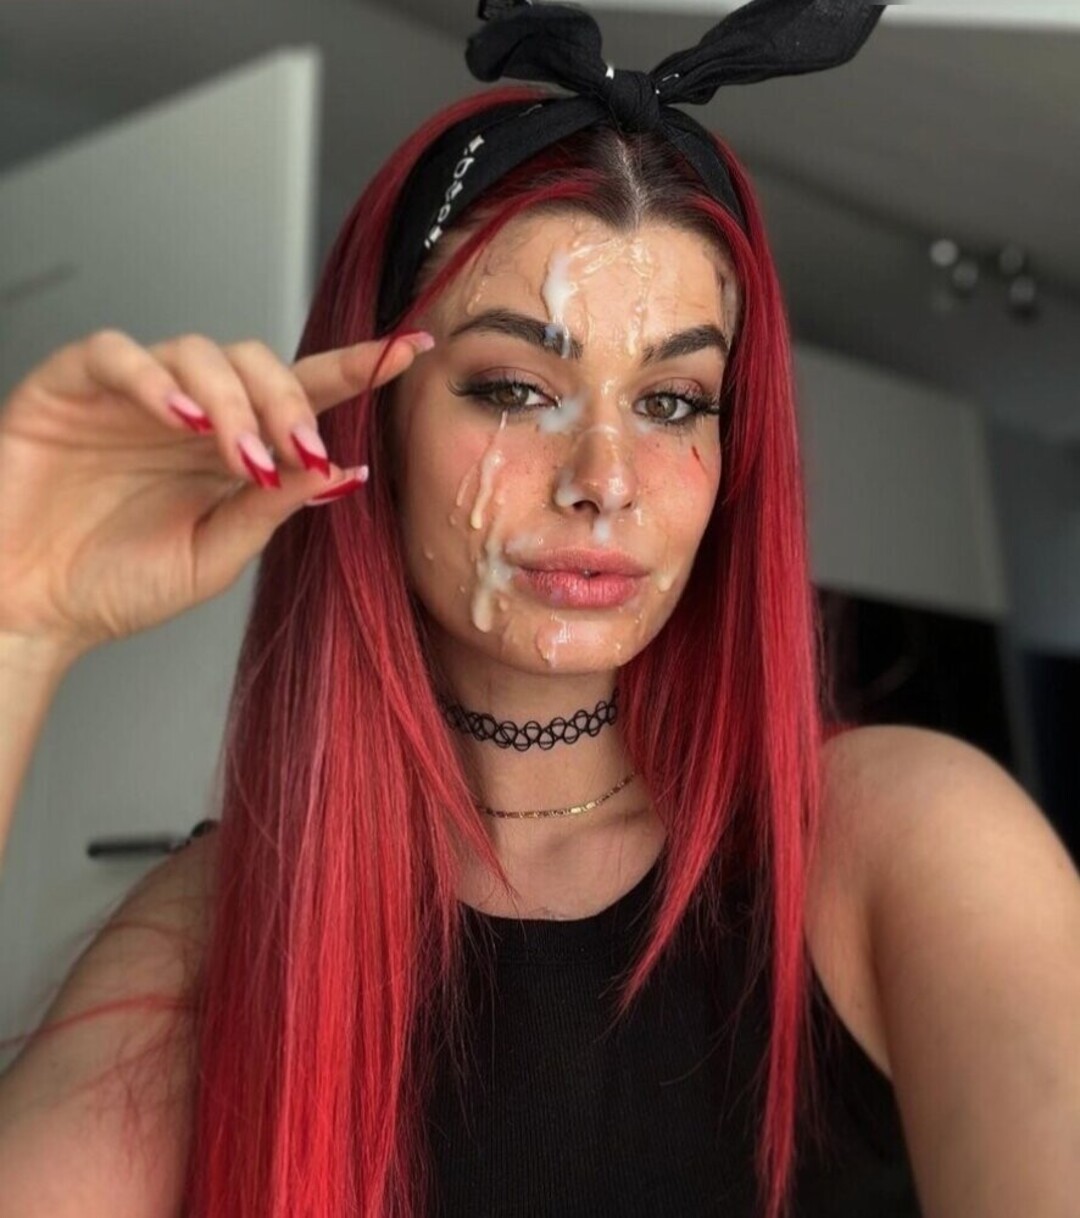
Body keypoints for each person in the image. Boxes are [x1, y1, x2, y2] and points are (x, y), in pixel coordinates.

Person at [3, 4, 1078, 1217]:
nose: (606, 479)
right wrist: (17, 622)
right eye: (515, 387)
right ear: (375, 424)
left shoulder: (910, 842)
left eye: (673, 402)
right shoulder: (217, 926)